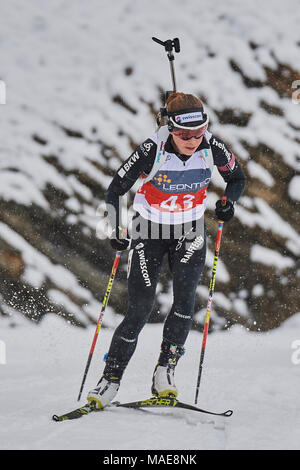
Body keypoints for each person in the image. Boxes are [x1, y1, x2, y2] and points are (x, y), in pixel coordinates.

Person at [87, 92, 246, 409]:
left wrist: (229, 203)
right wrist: (114, 227)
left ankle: (165, 371)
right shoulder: (151, 150)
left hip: (190, 230)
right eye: (185, 134)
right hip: (149, 229)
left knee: (185, 302)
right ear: (170, 128)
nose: (192, 140)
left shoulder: (212, 148)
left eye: (199, 132)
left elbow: (237, 178)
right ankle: (111, 377)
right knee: (140, 308)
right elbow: (116, 189)